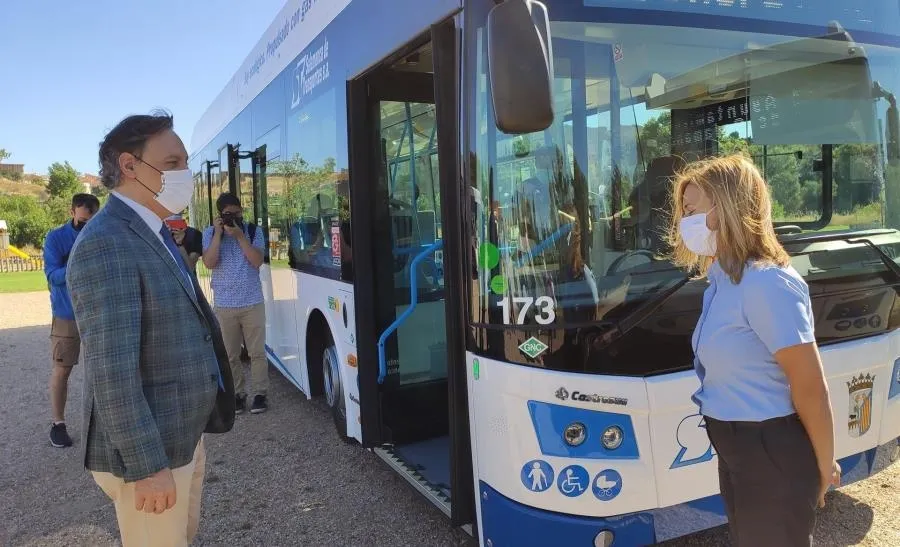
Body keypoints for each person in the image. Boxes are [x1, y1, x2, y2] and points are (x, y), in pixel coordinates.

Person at [66, 112, 233, 546]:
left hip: (178, 435)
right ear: (130, 166)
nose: (185, 174)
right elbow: (112, 372)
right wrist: (147, 468)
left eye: (185, 162)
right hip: (150, 454)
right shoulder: (108, 242)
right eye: (173, 162)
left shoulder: (151, 229)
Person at [667, 154, 841, 546]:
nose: (686, 222)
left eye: (694, 210)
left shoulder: (766, 283)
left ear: (728, 207)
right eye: (685, 211)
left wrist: (822, 464)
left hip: (769, 451)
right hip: (738, 449)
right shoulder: (725, 281)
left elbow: (810, 385)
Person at [202, 192, 269, 414]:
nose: (233, 217)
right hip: (225, 304)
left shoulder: (252, 231)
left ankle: (260, 394)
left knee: (257, 352)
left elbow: (257, 261)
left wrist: (240, 237)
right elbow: (209, 263)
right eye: (228, 214)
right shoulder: (210, 233)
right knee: (231, 355)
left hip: (252, 302)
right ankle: (238, 395)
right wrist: (218, 234)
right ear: (220, 215)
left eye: (236, 212)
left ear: (242, 210)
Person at [43, 192, 100, 448]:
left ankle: (106, 422)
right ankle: (58, 424)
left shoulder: (100, 236)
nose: (85, 226)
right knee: (62, 369)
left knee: (104, 367)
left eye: (91, 220)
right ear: (72, 213)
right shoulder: (55, 238)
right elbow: (53, 275)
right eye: (82, 220)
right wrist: (79, 261)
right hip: (67, 314)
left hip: (98, 312)